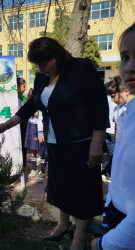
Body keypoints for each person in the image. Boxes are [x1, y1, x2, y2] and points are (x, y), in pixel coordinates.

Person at [0, 37, 109, 250]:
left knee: (82, 190)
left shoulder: (81, 68)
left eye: (44, 63)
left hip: (81, 143)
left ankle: (80, 234)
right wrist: (5, 125)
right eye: (37, 65)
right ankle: (63, 224)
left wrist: (96, 144)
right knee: (61, 187)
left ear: (57, 55)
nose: (41, 68)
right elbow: (30, 107)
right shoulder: (40, 78)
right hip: (55, 144)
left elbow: (99, 107)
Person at [91, 23, 135, 250]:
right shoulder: (130, 111)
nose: (130, 67)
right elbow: (120, 169)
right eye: (125, 57)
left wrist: (104, 244)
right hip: (117, 210)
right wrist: (109, 205)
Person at [106, 76, 134, 141]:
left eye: (113, 96)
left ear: (126, 92)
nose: (112, 100)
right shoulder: (116, 109)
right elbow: (117, 129)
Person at [17, 76, 28, 171]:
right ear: (17, 86)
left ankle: (23, 163)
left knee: (23, 143)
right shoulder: (16, 99)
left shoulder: (21, 98)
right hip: (19, 125)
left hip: (23, 124)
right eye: (23, 86)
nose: (25, 88)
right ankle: (22, 164)